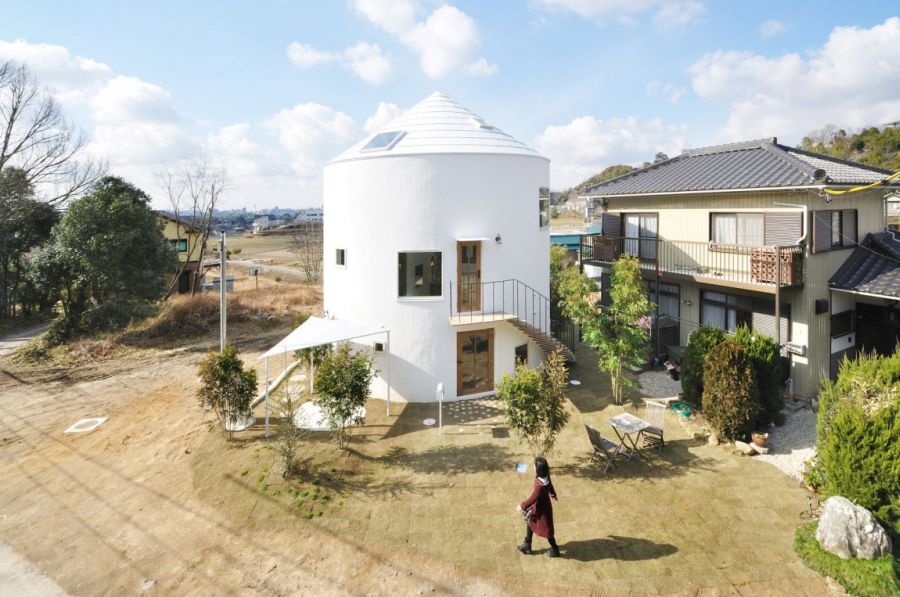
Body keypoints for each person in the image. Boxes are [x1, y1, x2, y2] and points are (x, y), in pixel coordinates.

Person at [515, 456, 560, 557]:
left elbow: (532, 499)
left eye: (534, 465)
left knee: (548, 531)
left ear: (538, 469)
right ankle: (527, 545)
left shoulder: (540, 486)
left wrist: (521, 506)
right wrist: (553, 494)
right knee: (530, 521)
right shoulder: (545, 476)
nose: (533, 467)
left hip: (542, 510)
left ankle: (555, 550)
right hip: (540, 507)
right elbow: (550, 485)